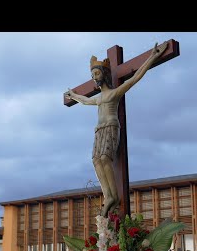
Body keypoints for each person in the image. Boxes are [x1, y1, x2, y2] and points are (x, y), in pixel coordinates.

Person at [65, 41, 168, 217]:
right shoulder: (98, 98)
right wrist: (73, 95)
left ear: (104, 74)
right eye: (92, 74)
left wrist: (153, 56)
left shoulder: (114, 93)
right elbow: (84, 100)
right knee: (96, 160)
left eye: (96, 73)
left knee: (105, 158)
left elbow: (135, 78)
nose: (94, 77)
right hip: (99, 130)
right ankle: (109, 195)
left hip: (111, 127)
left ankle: (113, 196)